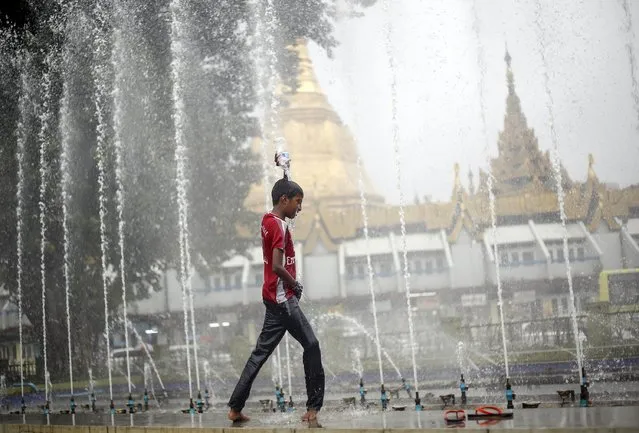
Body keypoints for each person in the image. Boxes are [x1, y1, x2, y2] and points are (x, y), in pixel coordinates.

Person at [227, 175, 325, 424]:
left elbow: (274, 264)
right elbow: (278, 266)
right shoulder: (280, 226)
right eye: (297, 202)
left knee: (259, 353)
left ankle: (235, 408)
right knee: (311, 345)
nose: (299, 208)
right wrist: (296, 284)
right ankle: (313, 408)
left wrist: (285, 174)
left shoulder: (268, 220)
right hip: (283, 299)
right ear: (284, 199)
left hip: (272, 297)